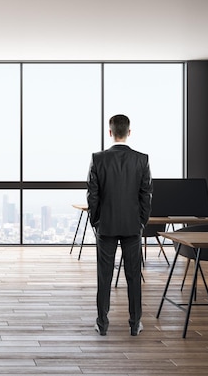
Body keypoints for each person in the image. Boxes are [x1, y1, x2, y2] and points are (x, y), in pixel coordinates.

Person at [86, 114, 153, 336]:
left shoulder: (98, 159)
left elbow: (92, 196)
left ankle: (102, 324)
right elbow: (146, 195)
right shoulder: (142, 159)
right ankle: (135, 324)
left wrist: (96, 221)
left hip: (106, 225)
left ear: (110, 132)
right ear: (129, 132)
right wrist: (141, 221)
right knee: (133, 276)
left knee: (104, 276)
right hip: (133, 226)